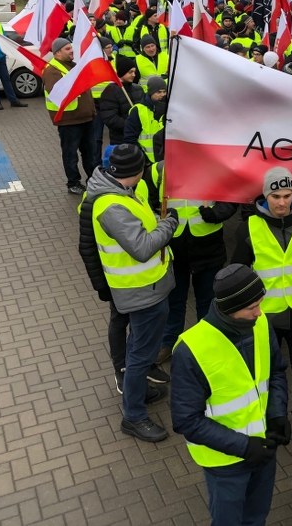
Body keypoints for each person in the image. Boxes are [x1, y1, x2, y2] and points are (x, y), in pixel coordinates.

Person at [171, 264, 289, 526]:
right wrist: (245, 447)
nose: (260, 312)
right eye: (251, 307)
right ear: (229, 308)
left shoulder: (260, 323)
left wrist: (278, 414)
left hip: (263, 449)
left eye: (261, 302)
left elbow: (277, 371)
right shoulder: (191, 350)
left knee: (257, 517)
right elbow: (186, 421)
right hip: (226, 463)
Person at [230, 167, 292, 450]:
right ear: (265, 195)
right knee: (264, 372)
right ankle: (265, 419)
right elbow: (236, 271)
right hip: (264, 317)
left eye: (287, 195)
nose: (283, 202)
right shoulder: (249, 227)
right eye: (275, 196)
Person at [87, 144, 178, 442]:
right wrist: (170, 224)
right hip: (140, 292)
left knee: (142, 349)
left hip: (148, 287)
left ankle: (138, 393)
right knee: (140, 355)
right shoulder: (112, 205)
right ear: (136, 171)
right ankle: (134, 416)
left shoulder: (124, 191)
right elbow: (141, 247)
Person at [145, 161, 239, 365]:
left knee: (207, 301)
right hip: (174, 248)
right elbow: (148, 201)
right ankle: (169, 343)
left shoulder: (216, 166)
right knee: (174, 301)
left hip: (208, 247)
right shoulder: (157, 170)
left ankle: (207, 344)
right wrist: (159, 217)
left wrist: (215, 214)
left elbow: (231, 201)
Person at [43, 37, 98, 194]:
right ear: (57, 52)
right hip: (69, 120)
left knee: (90, 152)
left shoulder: (73, 66)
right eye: (67, 49)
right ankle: (73, 182)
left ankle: (93, 179)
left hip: (86, 117)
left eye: (71, 47)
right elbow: (57, 93)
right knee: (70, 154)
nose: (71, 51)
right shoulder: (52, 70)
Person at [124, 76, 166, 163]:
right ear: (150, 92)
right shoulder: (138, 111)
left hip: (165, 162)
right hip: (145, 163)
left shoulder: (169, 110)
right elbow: (130, 139)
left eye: (164, 92)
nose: (162, 95)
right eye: (158, 92)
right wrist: (143, 159)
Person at [99, 63, 143, 146]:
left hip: (139, 138)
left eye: (134, 72)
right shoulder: (110, 91)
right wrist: (130, 125)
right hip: (120, 140)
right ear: (122, 72)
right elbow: (110, 118)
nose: (133, 75)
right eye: (130, 72)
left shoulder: (138, 89)